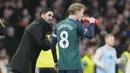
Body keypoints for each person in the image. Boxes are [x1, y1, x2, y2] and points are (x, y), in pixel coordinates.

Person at [51, 3, 97, 73]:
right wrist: (92, 23)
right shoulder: (77, 25)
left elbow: (52, 45)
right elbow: (90, 35)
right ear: (76, 12)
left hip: (62, 66)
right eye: (82, 12)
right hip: (74, 66)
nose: (82, 15)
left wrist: (55, 61)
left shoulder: (58, 25)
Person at [9, 8, 54, 73]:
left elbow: (46, 47)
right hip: (23, 64)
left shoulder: (43, 28)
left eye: (52, 16)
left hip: (29, 62)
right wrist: (50, 36)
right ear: (42, 15)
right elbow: (43, 44)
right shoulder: (35, 26)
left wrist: (49, 33)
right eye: (49, 15)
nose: (51, 17)